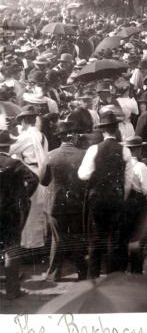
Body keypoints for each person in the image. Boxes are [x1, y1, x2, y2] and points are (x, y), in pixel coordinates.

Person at [78, 110, 134, 278]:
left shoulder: (94, 149)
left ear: (102, 130)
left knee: (95, 241)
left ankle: (92, 280)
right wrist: (121, 198)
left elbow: (83, 174)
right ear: (117, 128)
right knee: (113, 241)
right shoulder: (125, 151)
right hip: (116, 200)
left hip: (97, 201)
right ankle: (112, 280)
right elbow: (128, 181)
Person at [41, 121, 87, 281]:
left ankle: (53, 274)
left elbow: (43, 180)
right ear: (73, 136)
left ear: (60, 137)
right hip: (77, 203)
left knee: (57, 239)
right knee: (77, 237)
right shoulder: (84, 154)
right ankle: (83, 273)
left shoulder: (51, 155)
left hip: (55, 204)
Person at [0, 130, 38, 299]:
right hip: (10, 212)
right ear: (8, 146)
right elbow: (33, 179)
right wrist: (24, 196)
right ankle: (12, 291)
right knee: (11, 250)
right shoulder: (14, 163)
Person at [10, 105, 48, 249]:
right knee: (37, 211)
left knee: (27, 211)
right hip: (41, 173)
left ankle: (27, 247)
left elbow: (9, 148)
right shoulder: (42, 136)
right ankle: (37, 246)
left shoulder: (26, 136)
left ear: (25, 121)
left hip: (29, 174)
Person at [120, 135, 147, 273]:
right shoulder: (141, 167)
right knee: (137, 239)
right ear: (138, 150)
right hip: (137, 206)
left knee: (124, 239)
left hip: (123, 204)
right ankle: (136, 271)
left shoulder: (122, 165)